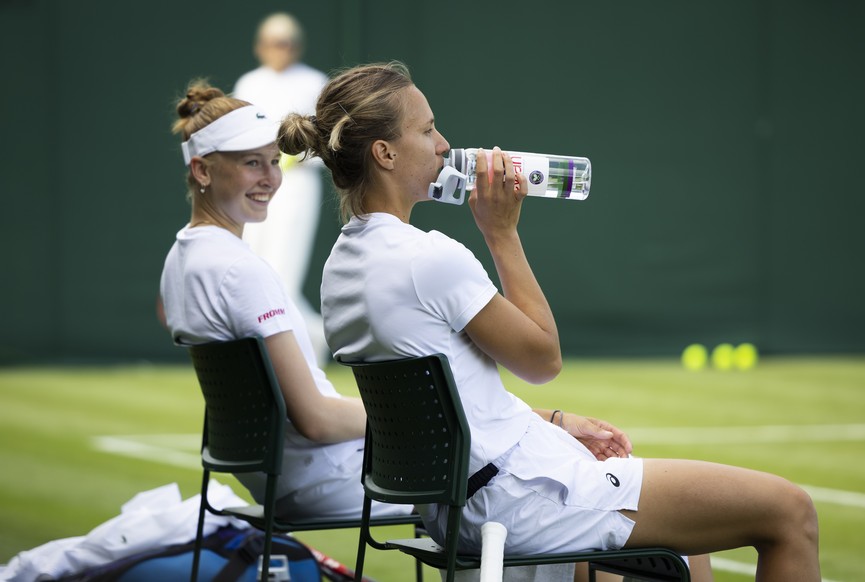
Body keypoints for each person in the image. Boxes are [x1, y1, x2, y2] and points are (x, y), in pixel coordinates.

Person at [277, 62, 820, 581]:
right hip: (514, 500)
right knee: (790, 511)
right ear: (385, 153)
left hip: (454, 508)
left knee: (683, 549)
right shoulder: (429, 258)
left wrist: (557, 423)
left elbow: (447, 406)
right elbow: (542, 359)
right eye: (428, 129)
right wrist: (501, 232)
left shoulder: (340, 270)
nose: (444, 143)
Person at [159, 80, 410, 521]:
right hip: (334, 478)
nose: (270, 178)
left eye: (274, 162)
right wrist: (415, 424)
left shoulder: (180, 260)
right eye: (251, 163)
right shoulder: (240, 270)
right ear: (201, 170)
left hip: (283, 477)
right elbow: (316, 419)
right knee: (512, 486)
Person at [233, 12, 330, 364]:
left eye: (287, 42)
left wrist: (297, 157)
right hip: (254, 188)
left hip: (296, 188)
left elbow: (328, 141)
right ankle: (315, 337)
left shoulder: (314, 82)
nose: (281, 49)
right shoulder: (248, 84)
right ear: (261, 47)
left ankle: (299, 352)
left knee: (282, 275)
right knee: (257, 268)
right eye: (274, 42)